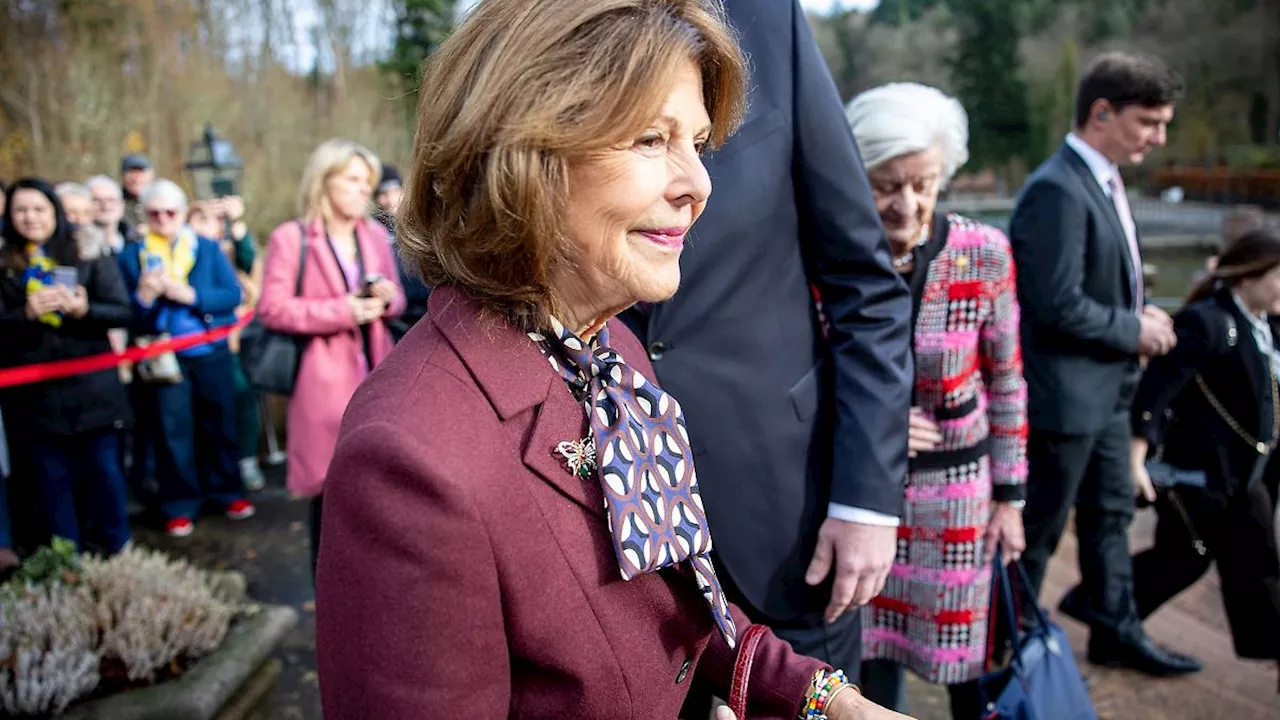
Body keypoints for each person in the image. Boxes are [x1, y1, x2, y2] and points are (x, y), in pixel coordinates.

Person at [314, 2, 911, 718]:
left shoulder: (609, 352)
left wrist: (829, 701)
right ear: (522, 152)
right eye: (651, 140)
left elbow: (680, 611)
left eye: (698, 141)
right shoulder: (409, 463)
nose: (700, 184)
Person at [618, 0, 913, 694]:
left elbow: (865, 288)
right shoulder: (530, 28)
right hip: (603, 525)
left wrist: (867, 501)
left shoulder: (767, 20)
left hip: (788, 521)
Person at [1009, 51, 1200, 675]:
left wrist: (1141, 322)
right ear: (1101, 112)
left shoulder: (1104, 179)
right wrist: (1134, 329)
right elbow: (1052, 302)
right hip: (1063, 402)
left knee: (1111, 521)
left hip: (1111, 395)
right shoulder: (1054, 189)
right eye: (1149, 121)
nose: (1158, 137)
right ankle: (1005, 659)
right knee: (1034, 539)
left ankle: (1116, 633)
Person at [843, 84, 1028, 718]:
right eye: (886, 185)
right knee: (871, 660)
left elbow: (1007, 382)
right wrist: (884, 422)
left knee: (964, 659)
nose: (907, 204)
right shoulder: (836, 254)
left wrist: (1011, 499)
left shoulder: (984, 253)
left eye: (923, 183)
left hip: (957, 496)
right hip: (866, 497)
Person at [1066, 229, 1280, 676]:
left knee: (1217, 557)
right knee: (1191, 557)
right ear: (1250, 275)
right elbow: (1157, 390)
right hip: (1197, 473)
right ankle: (1104, 614)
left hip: (1243, 472)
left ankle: (1104, 616)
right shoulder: (1209, 322)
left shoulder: (1264, 325)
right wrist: (1136, 456)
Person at [257, 140, 405, 578]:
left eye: (368, 181)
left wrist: (385, 297)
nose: (365, 190)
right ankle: (330, 600)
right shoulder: (291, 237)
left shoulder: (376, 235)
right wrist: (343, 310)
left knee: (379, 490)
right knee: (329, 495)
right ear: (326, 180)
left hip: (379, 373)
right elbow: (272, 308)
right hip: (322, 384)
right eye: (354, 179)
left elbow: (398, 302)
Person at [0, 178, 133, 554]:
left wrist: (84, 309)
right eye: (21, 210)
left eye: (39, 209)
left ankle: (121, 556)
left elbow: (123, 311)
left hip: (93, 393)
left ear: (54, 211)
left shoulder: (87, 248)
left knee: (106, 475)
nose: (31, 218)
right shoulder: (3, 260)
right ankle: (67, 564)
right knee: (52, 484)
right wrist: (22, 314)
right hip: (34, 400)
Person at [118, 179, 255, 537]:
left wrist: (191, 294)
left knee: (220, 423)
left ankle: (228, 492)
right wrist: (145, 298)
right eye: (155, 213)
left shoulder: (206, 248)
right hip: (164, 359)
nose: (163, 218)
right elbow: (124, 316)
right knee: (172, 433)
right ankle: (179, 504)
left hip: (210, 352)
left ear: (181, 213)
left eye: (170, 211)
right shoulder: (131, 257)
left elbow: (231, 294)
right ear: (145, 215)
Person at [188, 197, 267, 491]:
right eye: (202, 219)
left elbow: (249, 258)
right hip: (204, 341)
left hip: (241, 337)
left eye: (214, 220)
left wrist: (236, 223)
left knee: (244, 395)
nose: (211, 226)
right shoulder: (184, 251)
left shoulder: (228, 249)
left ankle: (246, 458)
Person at [86, 175, 138, 256]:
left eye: (111, 200)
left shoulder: (137, 243)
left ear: (122, 204)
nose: (105, 206)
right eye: (96, 200)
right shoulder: (76, 247)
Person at [120, 153, 153, 229]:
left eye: (140, 173)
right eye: (131, 173)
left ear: (151, 175)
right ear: (122, 176)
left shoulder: (162, 203)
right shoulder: (113, 203)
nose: (136, 179)